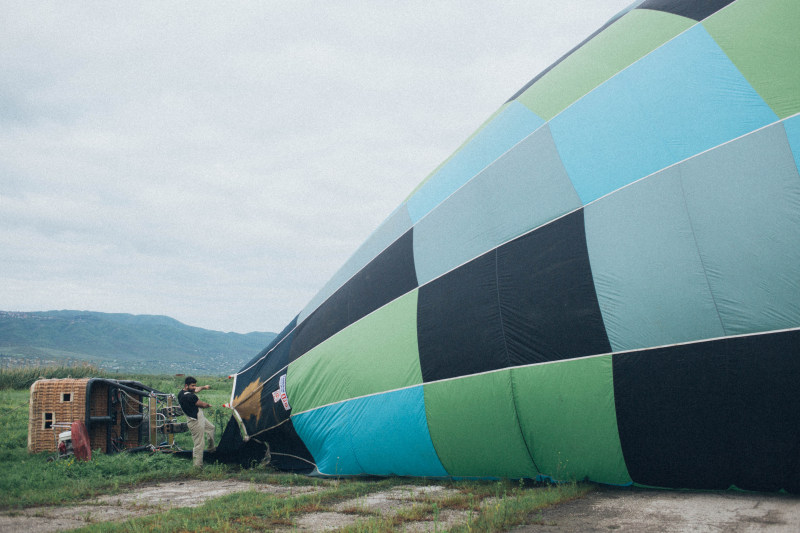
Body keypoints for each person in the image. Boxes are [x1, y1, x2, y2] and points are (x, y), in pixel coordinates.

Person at [177, 376, 215, 467]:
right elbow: (202, 404)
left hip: (199, 417)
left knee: (211, 428)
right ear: (187, 386)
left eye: (195, 385)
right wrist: (208, 405)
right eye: (192, 386)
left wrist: (204, 387)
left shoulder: (182, 393)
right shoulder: (191, 397)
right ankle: (198, 466)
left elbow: (197, 389)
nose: (194, 387)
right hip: (195, 421)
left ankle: (211, 449)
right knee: (199, 444)